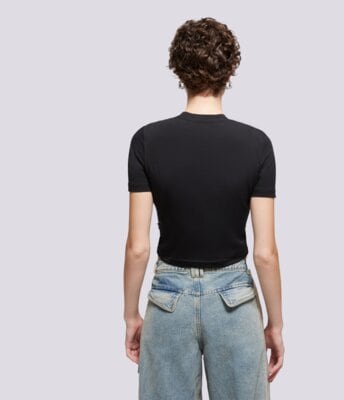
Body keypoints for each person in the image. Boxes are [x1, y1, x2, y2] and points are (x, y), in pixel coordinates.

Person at [123, 17, 284, 400]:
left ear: (179, 69)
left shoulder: (146, 141)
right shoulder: (257, 145)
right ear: (230, 70)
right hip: (235, 301)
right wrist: (275, 324)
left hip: (168, 300)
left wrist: (131, 315)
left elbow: (138, 248)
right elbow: (265, 253)